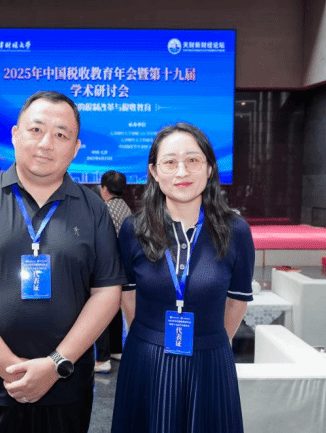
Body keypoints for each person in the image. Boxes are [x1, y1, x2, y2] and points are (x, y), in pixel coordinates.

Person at [0, 90, 127, 433]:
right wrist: (9, 367)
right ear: (15, 134)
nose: (46, 143)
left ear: (76, 148)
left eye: (61, 135)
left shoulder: (94, 208)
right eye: (36, 129)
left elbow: (107, 293)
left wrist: (54, 365)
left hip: (66, 386)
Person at [111, 123, 255, 433]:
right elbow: (128, 296)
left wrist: (210, 340)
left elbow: (237, 302)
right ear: (154, 171)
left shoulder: (236, 231)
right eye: (170, 161)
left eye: (192, 160)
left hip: (210, 363)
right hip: (146, 360)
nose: (182, 171)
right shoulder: (134, 229)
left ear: (209, 168)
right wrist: (152, 338)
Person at [94, 170, 132, 373]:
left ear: (104, 189)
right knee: (114, 308)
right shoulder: (125, 207)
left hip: (107, 268)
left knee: (99, 309)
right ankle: (116, 349)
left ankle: (102, 359)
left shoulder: (104, 209)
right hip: (124, 268)